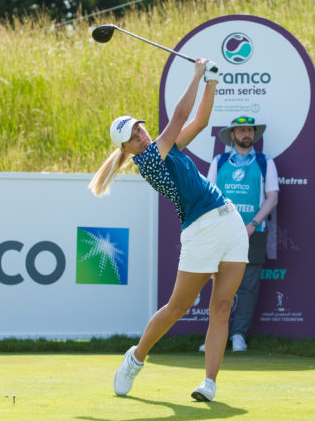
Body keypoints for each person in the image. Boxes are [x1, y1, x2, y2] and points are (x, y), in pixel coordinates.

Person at [88, 59, 248, 402]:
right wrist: (195, 74)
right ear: (126, 150)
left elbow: (200, 121)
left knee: (222, 307)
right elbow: (177, 119)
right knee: (177, 308)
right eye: (132, 136)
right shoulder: (147, 161)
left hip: (230, 221)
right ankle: (136, 358)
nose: (139, 134)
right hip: (201, 229)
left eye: (139, 128)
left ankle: (209, 383)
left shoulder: (169, 147)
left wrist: (211, 82)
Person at [200, 116, 279, 352]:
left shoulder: (266, 162)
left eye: (250, 130)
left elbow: (272, 197)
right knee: (219, 285)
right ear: (232, 135)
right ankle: (216, 337)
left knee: (249, 285)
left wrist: (253, 224)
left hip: (254, 232)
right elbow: (208, 195)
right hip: (223, 233)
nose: (247, 134)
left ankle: (238, 335)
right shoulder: (220, 161)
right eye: (241, 130)